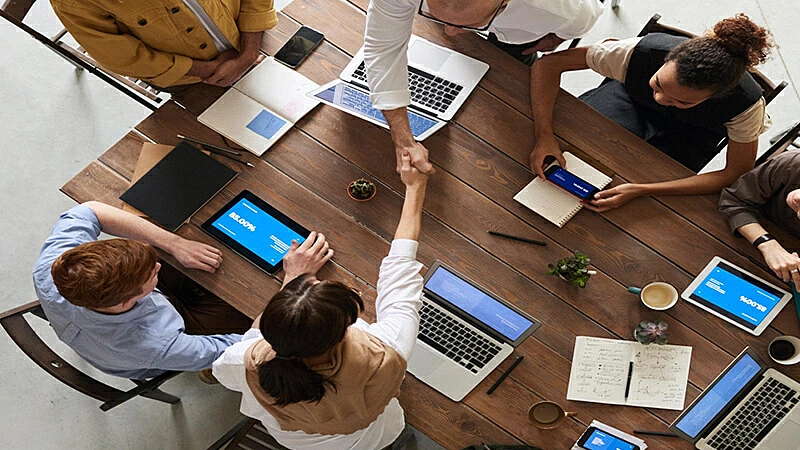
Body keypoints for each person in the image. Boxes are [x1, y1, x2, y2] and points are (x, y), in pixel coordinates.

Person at [213, 152, 428, 449]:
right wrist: (416, 187)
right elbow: (400, 273)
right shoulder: (384, 352)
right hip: (374, 440)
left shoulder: (245, 361)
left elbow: (239, 352)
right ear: (344, 332)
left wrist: (292, 281)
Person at [529, 14, 776, 212]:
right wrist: (544, 136)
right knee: (576, 144)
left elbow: (734, 172)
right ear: (667, 59)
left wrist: (642, 189)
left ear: (715, 96)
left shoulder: (746, 105)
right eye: (658, 84)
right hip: (629, 99)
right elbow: (548, 65)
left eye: (682, 101)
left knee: (638, 206)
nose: (660, 99)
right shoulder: (639, 52)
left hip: (693, 135)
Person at [363, 0, 603, 175]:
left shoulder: (570, 12)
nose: (451, 32)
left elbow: (575, 27)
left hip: (522, 32)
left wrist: (557, 36)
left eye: (467, 24)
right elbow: (383, 51)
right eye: (439, 17)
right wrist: (404, 140)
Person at [32, 201, 259, 379]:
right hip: (158, 349)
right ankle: (208, 372)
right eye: (151, 274)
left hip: (114, 328)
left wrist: (174, 244)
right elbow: (246, 348)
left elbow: (91, 210)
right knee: (254, 310)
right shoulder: (155, 346)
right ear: (125, 301)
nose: (158, 266)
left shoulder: (57, 266)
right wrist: (290, 284)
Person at [50, 0, 277, 88]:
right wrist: (208, 71)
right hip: (193, 82)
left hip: (253, 37)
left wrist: (247, 54)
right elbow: (119, 55)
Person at [719, 151, 800, 284]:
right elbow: (734, 200)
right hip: (742, 238)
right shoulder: (792, 164)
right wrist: (767, 244)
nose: (797, 198)